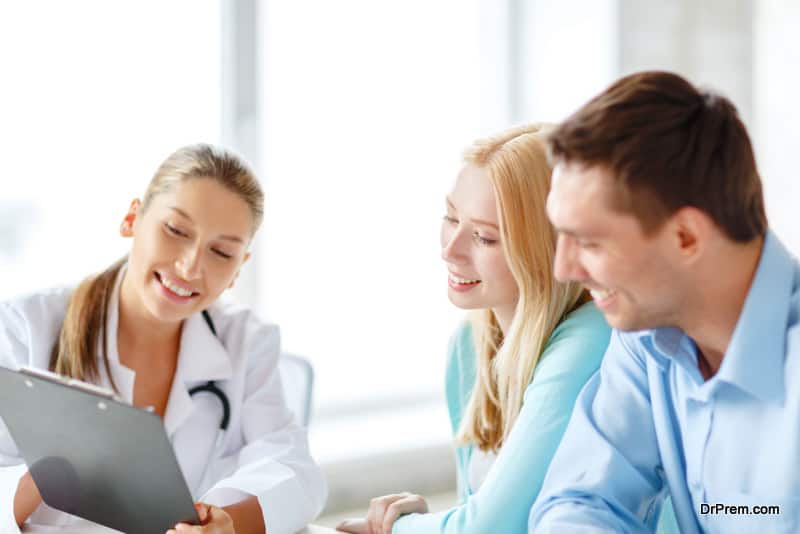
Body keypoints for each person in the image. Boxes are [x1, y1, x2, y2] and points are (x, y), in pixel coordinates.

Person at [0, 144, 327, 534]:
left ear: (240, 267)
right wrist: (56, 467)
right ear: (132, 219)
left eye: (221, 252)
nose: (190, 266)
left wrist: (226, 524)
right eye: (175, 230)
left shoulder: (247, 342)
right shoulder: (24, 327)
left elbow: (294, 471)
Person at [527, 71, 793, 533]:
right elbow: (578, 500)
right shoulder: (647, 338)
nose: (564, 270)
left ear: (685, 236)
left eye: (588, 243)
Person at [337, 124, 611, 534]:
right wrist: (425, 519)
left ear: (546, 250)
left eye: (484, 237)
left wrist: (398, 529)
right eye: (450, 217)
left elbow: (488, 528)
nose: (450, 249)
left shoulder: (592, 339)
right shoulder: (469, 348)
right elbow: (480, 514)